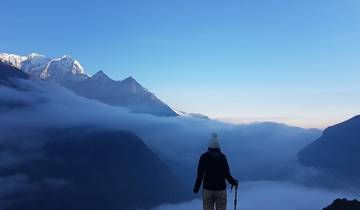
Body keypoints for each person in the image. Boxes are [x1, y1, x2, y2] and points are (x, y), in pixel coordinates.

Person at [193, 133, 238, 210]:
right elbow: (227, 174)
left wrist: (196, 188)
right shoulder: (222, 157)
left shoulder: (204, 157)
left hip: (207, 189)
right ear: (219, 147)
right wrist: (233, 182)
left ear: (209, 146)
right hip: (220, 189)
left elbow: (200, 174)